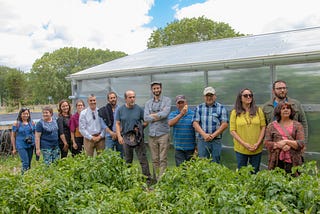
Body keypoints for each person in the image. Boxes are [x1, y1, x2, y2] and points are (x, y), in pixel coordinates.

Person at [116, 90, 151, 181]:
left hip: (138, 138)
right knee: (128, 159)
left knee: (142, 158)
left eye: (133, 97)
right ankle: (128, 179)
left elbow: (146, 121)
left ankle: (147, 178)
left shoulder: (139, 109)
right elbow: (118, 124)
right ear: (125, 99)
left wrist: (140, 128)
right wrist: (119, 136)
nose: (132, 99)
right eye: (130, 97)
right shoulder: (120, 110)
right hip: (126, 138)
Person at [229, 88, 266, 173]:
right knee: (242, 173)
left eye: (250, 95)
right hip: (241, 148)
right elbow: (232, 130)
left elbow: (263, 127)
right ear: (240, 98)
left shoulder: (258, 110)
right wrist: (244, 144)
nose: (248, 97)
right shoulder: (235, 112)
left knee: (255, 172)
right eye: (245, 95)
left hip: (256, 148)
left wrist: (258, 143)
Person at [264, 101, 305, 175]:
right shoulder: (271, 126)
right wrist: (278, 145)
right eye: (283, 108)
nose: (286, 110)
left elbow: (301, 143)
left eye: (288, 108)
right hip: (276, 161)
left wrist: (286, 142)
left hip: (294, 162)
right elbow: (267, 143)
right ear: (279, 111)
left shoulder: (298, 125)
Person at [192, 86, 229, 163]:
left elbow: (224, 124)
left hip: (216, 140)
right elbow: (195, 123)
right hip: (202, 140)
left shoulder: (221, 108)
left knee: (215, 162)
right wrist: (204, 135)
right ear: (204, 97)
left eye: (211, 95)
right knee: (202, 163)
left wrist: (213, 135)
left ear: (215, 96)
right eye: (207, 96)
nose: (209, 98)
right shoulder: (199, 108)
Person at [144, 81, 171, 180]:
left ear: (161, 89)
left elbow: (165, 114)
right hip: (152, 135)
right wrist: (159, 114)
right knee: (155, 159)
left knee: (163, 158)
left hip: (163, 134)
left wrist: (153, 115)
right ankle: (157, 179)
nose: (156, 90)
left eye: (158, 88)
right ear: (152, 90)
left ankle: (162, 180)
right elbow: (146, 118)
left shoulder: (167, 100)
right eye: (154, 88)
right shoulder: (148, 103)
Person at [168, 95, 196, 166]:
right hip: (179, 148)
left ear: (186, 103)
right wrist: (181, 114)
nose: (181, 105)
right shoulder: (173, 114)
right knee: (181, 169)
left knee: (191, 170)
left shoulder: (193, 114)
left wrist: (197, 147)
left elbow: (197, 130)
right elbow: (170, 124)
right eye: (179, 103)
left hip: (191, 148)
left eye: (182, 102)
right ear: (176, 104)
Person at [99, 91, 123, 158]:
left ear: (116, 98)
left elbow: (123, 122)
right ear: (108, 100)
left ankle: (121, 168)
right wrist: (111, 133)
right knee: (109, 156)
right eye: (111, 98)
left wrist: (118, 133)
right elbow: (102, 124)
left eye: (114, 97)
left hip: (120, 136)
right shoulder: (104, 110)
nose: (113, 99)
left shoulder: (121, 109)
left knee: (121, 155)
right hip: (109, 136)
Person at [11, 107, 36, 173]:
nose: (26, 115)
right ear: (20, 114)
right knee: (25, 163)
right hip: (21, 145)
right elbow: (13, 136)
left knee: (29, 163)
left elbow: (35, 133)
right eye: (24, 114)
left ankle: (28, 178)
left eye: (27, 114)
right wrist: (14, 148)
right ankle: (22, 178)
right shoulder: (16, 123)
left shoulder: (32, 123)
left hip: (30, 144)